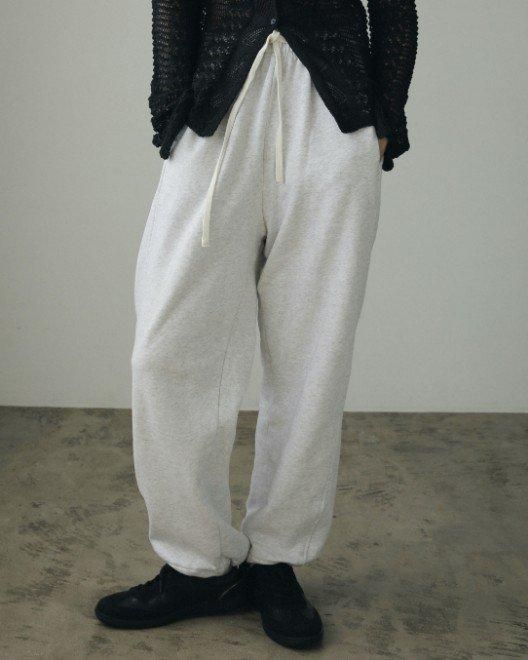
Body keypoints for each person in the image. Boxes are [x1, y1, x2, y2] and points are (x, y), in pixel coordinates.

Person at [95, 0, 418, 649]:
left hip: (334, 114)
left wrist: (385, 114)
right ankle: (195, 562)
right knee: (166, 349)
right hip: (220, 104)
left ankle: (276, 559)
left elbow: (394, 6)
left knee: (312, 358)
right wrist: (172, 108)